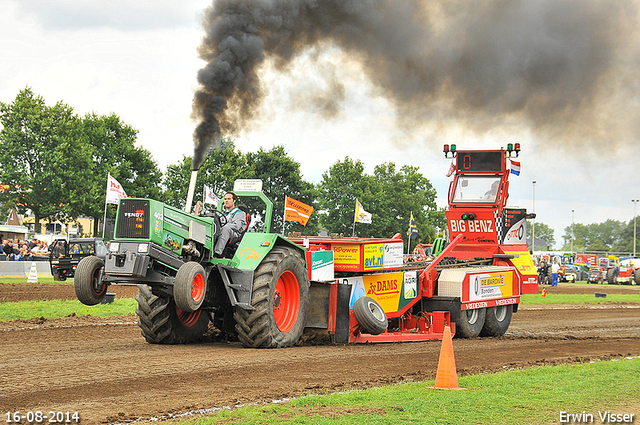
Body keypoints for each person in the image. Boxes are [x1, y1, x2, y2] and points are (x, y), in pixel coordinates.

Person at [213, 192, 248, 258]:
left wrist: (223, 226)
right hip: (222, 231)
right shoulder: (223, 214)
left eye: (229, 199)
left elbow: (237, 226)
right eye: (225, 199)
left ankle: (217, 253)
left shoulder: (239, 213)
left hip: (234, 234)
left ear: (234, 201)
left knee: (226, 228)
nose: (226, 201)